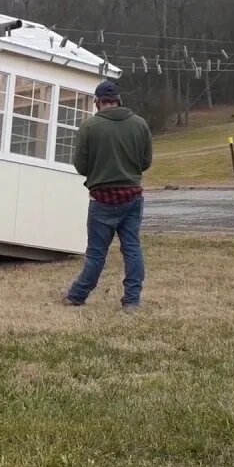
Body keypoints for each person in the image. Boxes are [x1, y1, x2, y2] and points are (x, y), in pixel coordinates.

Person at [62, 79, 153, 312]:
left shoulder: (89, 127)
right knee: (132, 248)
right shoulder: (140, 124)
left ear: (97, 102)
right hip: (132, 197)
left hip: (102, 199)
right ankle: (132, 300)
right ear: (119, 100)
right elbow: (145, 162)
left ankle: (77, 296)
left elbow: (81, 166)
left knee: (96, 253)